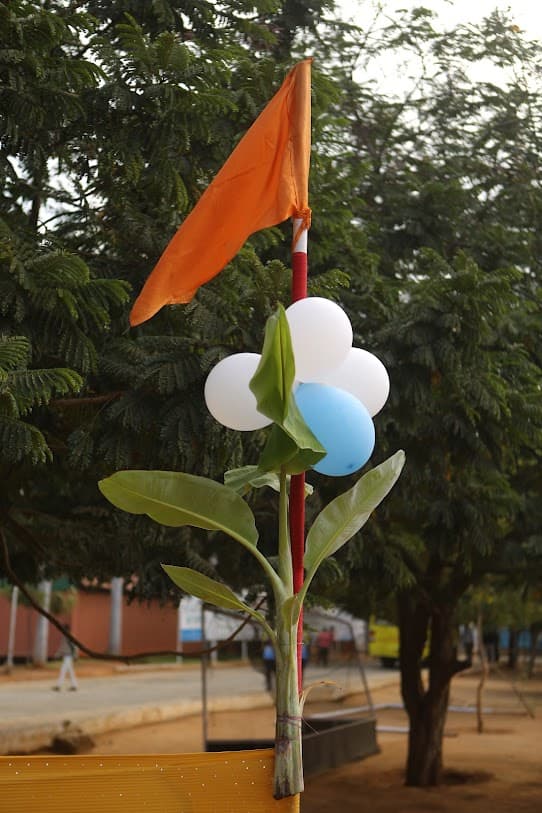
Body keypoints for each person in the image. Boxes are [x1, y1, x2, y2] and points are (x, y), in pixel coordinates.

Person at [53, 625, 78, 691]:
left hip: (68, 656)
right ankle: (74, 685)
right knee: (70, 672)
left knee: (63, 671)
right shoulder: (64, 637)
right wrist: (58, 654)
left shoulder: (69, 637)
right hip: (66, 656)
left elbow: (74, 646)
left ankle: (58, 686)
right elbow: (62, 647)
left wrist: (75, 655)